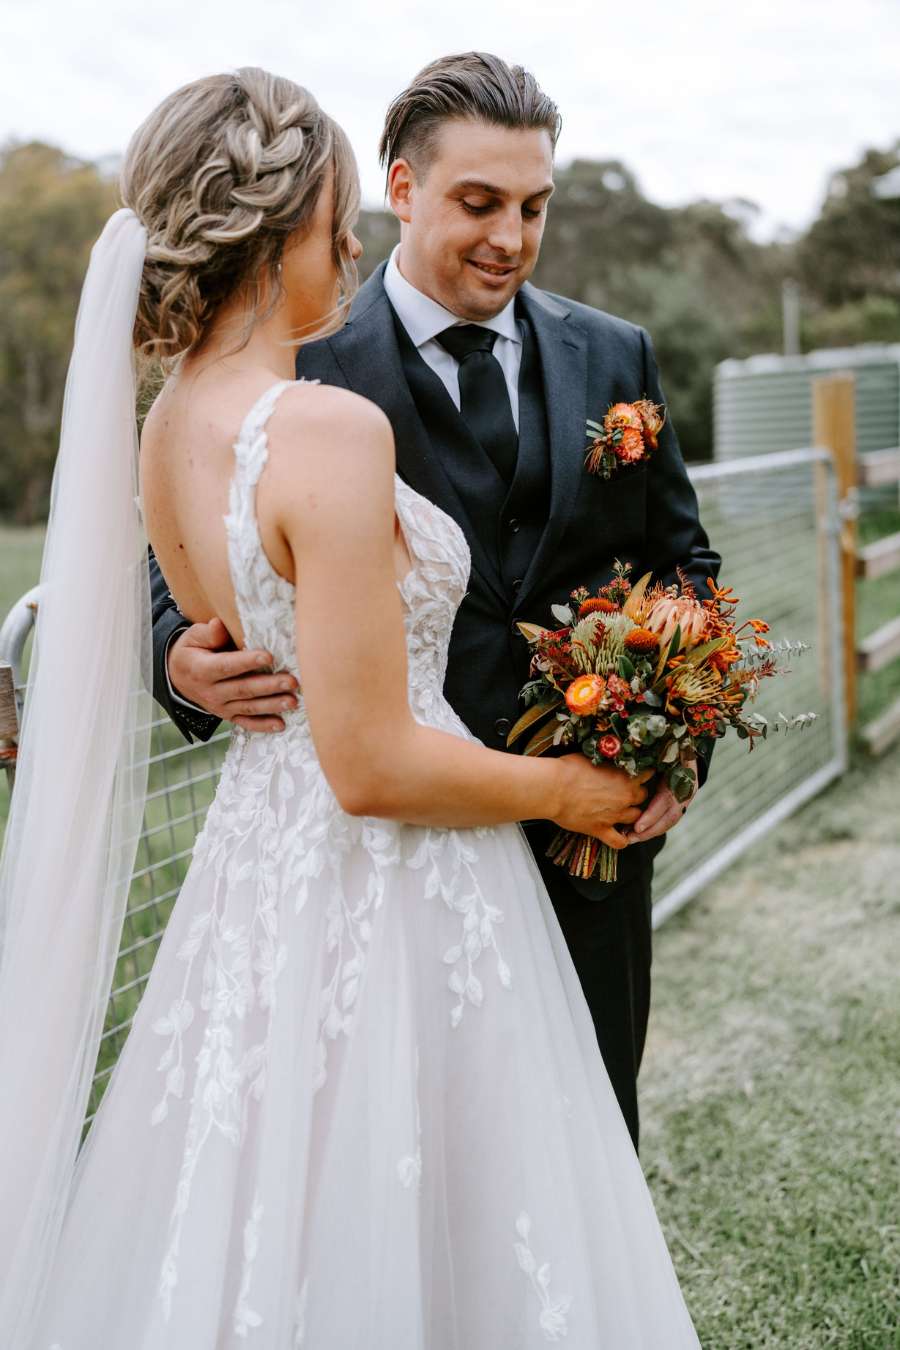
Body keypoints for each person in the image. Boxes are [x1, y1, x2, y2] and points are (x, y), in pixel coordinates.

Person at [0, 66, 701, 1347]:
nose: (357, 242)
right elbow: (369, 759)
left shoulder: (163, 426)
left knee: (276, 1202)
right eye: (341, 215)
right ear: (294, 224)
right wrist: (574, 787)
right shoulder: (324, 420)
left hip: (262, 883)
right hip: (409, 865)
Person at [155, 52, 722, 1147]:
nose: (510, 235)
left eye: (533, 206)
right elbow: (180, 550)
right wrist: (177, 648)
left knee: (584, 1156)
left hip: (588, 849)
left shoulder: (616, 355)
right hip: (398, 861)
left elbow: (685, 570)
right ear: (403, 190)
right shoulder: (299, 369)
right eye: (479, 203)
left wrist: (672, 750)